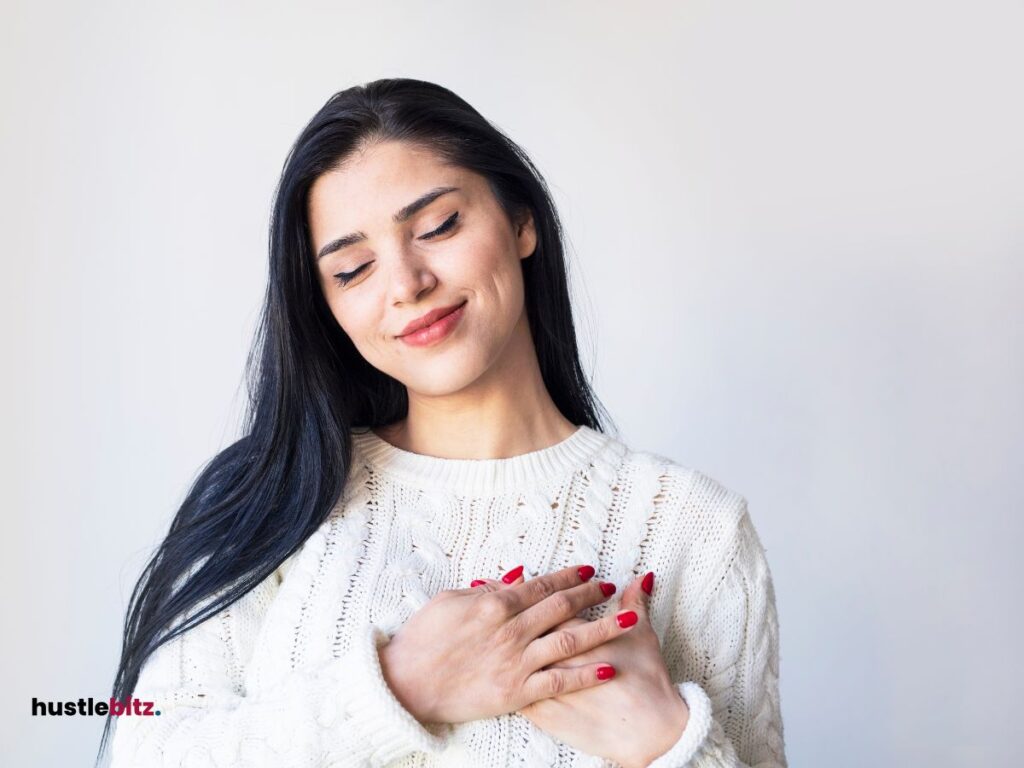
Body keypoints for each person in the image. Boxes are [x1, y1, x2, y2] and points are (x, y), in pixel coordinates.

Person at [99, 78, 787, 768]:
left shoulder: (696, 529)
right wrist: (402, 687)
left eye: (438, 227)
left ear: (521, 223)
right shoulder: (271, 496)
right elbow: (145, 748)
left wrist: (663, 741)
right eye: (353, 268)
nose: (406, 283)